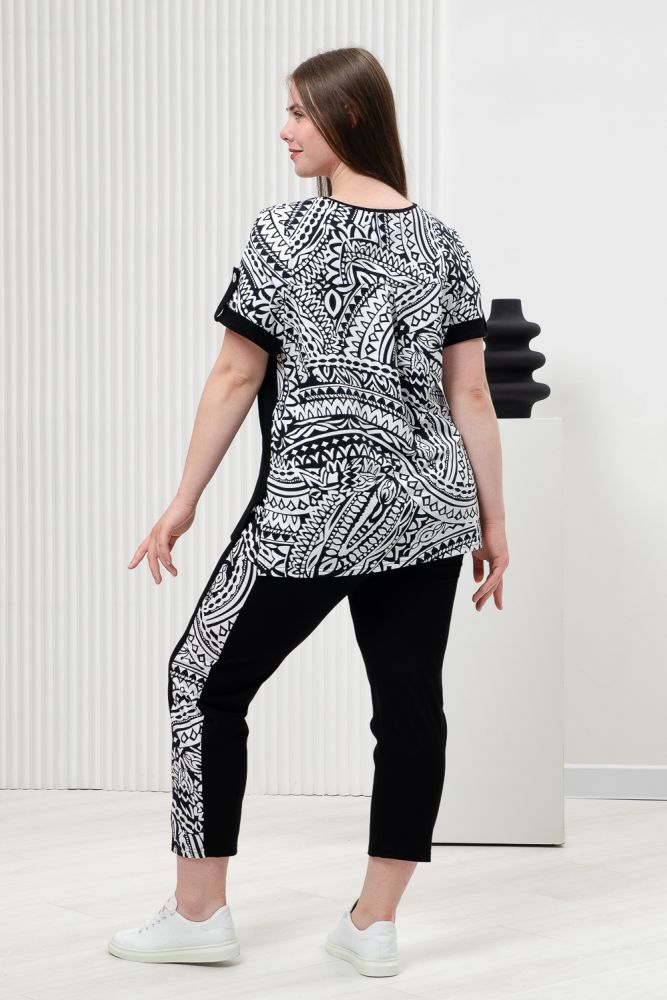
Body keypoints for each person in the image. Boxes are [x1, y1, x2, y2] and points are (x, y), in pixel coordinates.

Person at [108, 47, 509, 976]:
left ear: (347, 118)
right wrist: (493, 524)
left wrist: (182, 501)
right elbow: (471, 396)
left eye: (297, 113)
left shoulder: (283, 234)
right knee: (409, 709)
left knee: (201, 680)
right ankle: (374, 924)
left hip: (308, 514)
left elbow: (235, 376)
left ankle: (198, 913)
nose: (283, 130)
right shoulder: (442, 242)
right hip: (429, 512)